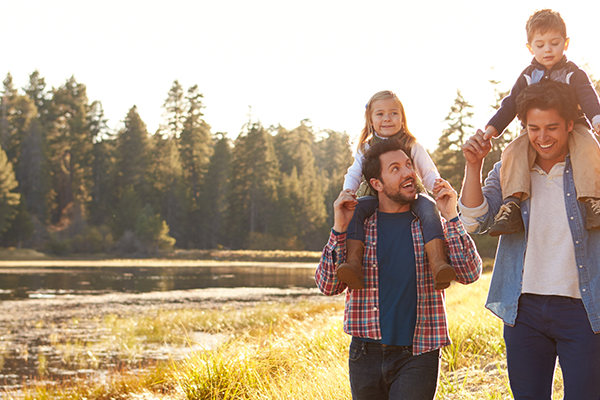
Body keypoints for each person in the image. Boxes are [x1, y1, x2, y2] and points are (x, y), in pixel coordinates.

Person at [460, 80, 600, 399]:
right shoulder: (511, 169)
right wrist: (473, 165)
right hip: (524, 311)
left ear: (569, 124)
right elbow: (474, 219)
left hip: (584, 309)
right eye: (533, 128)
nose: (542, 137)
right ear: (523, 127)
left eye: (552, 127)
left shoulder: (593, 166)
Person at [316, 138, 482, 400]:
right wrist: (338, 228)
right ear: (376, 184)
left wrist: (451, 215)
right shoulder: (360, 227)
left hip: (419, 353)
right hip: (365, 354)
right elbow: (327, 286)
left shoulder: (429, 225)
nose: (408, 173)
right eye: (395, 168)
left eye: (408, 165)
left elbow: (470, 273)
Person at [479, 9, 600, 236]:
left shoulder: (572, 72)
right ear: (530, 48)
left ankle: (593, 201)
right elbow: (511, 103)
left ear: (565, 44)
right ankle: (512, 204)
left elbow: (587, 95)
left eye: (554, 43)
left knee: (589, 147)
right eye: (541, 44)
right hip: (535, 130)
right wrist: (492, 128)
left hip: (575, 125)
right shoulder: (528, 75)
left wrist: (596, 118)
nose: (547, 50)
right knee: (513, 151)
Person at [339, 90, 456, 291]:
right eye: (380, 114)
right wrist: (348, 192)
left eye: (394, 113)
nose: (387, 119)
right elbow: (355, 172)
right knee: (357, 210)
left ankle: (438, 263)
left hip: (410, 195)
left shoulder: (411, 144)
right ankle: (353, 263)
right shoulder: (365, 148)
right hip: (372, 195)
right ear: (370, 120)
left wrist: (436, 187)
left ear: (402, 118)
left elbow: (427, 170)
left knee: (428, 208)